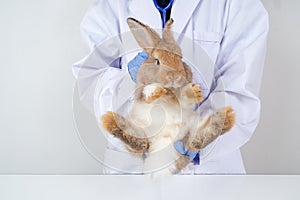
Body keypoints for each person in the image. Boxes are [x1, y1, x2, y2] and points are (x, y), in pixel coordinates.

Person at [73, 0, 269, 174]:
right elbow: (91, 79)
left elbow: (239, 92)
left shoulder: (237, 5)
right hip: (130, 173)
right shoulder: (108, 7)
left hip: (208, 174)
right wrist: (131, 83)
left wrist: (190, 139)